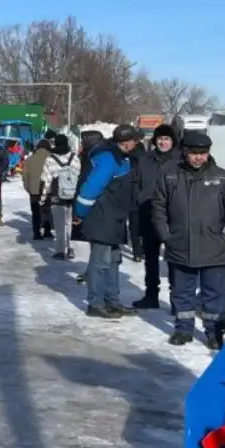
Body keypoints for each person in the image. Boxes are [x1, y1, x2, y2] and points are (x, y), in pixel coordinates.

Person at [153, 130, 225, 349]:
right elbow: (158, 209)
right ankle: (183, 329)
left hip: (215, 248)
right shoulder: (169, 175)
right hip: (180, 245)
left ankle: (214, 333)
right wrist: (166, 236)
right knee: (182, 291)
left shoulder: (222, 177)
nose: (199, 157)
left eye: (203, 153)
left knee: (214, 294)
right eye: (194, 153)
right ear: (184, 152)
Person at [74, 124, 141, 320]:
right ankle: (95, 303)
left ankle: (112, 301)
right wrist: (80, 212)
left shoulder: (121, 157)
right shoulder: (108, 158)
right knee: (100, 262)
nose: (137, 144)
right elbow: (90, 188)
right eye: (135, 141)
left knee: (113, 261)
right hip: (102, 217)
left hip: (114, 217)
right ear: (127, 142)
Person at [131, 124, 179, 309]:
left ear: (172, 141)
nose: (163, 142)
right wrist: (139, 199)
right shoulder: (145, 160)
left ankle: (177, 300)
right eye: (160, 138)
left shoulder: (179, 160)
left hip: (173, 217)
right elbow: (135, 182)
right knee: (150, 258)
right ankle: (151, 295)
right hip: (148, 213)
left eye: (167, 139)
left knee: (174, 259)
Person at [39, 133, 81, 260]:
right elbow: (78, 175)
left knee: (59, 224)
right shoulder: (74, 157)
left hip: (57, 195)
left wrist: (42, 198)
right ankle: (69, 247)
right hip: (72, 194)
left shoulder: (50, 159)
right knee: (69, 222)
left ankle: (60, 251)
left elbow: (46, 180)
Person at [23, 139, 52, 240]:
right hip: (48, 189)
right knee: (47, 210)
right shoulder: (52, 158)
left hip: (34, 190)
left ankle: (37, 232)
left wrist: (28, 188)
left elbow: (25, 176)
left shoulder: (30, 159)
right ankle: (47, 230)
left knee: (36, 212)